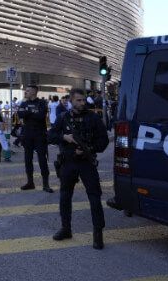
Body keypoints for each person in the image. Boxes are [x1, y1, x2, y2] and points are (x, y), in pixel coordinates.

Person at [48, 88, 110, 250]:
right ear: (71, 101)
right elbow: (50, 136)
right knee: (65, 197)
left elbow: (103, 141)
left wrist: (89, 149)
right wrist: (64, 137)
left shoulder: (93, 118)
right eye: (78, 100)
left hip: (86, 163)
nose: (82, 103)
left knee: (94, 198)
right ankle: (65, 229)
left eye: (83, 100)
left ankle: (98, 234)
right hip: (68, 162)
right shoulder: (63, 118)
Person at [17, 87, 54, 193]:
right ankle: (30, 182)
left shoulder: (42, 102)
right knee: (28, 159)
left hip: (40, 134)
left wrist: (28, 112)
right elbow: (20, 114)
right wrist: (32, 112)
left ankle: (45, 184)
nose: (26, 92)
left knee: (42, 159)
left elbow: (41, 116)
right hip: (27, 134)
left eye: (28, 91)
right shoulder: (24, 103)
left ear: (34, 92)